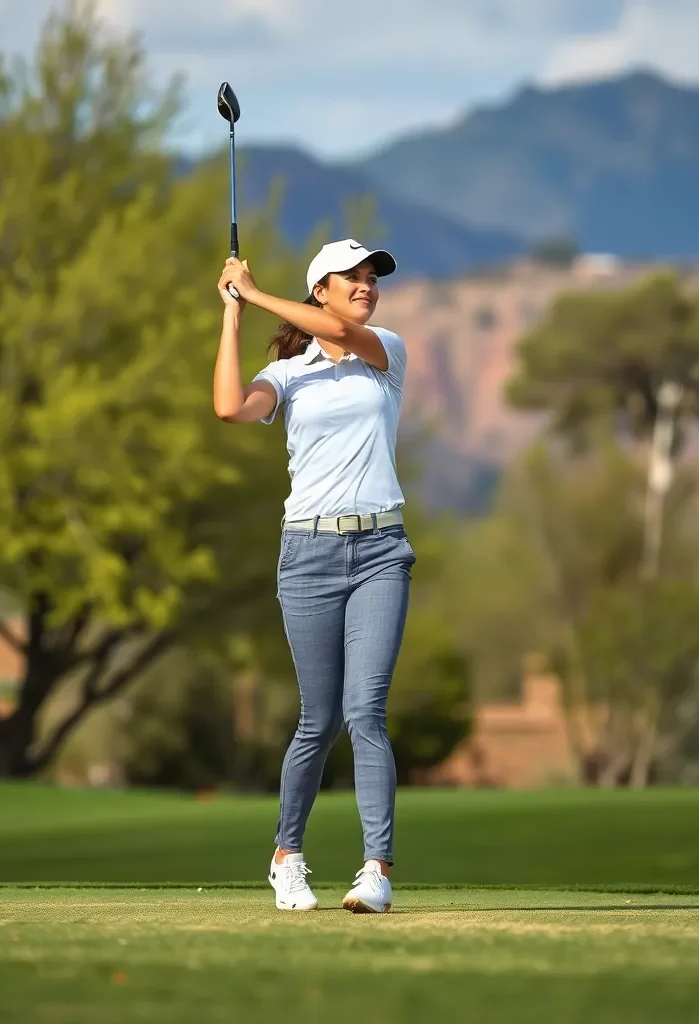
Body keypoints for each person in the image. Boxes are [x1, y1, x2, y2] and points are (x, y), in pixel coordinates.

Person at [213, 239, 414, 914]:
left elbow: (339, 333)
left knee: (367, 712)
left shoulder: (383, 351)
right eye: (351, 278)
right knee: (317, 719)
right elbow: (228, 407)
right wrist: (232, 312)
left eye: (371, 278)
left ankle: (376, 869)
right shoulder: (291, 376)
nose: (366, 286)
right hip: (308, 556)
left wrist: (255, 287)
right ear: (320, 287)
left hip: (382, 549)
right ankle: (286, 854)